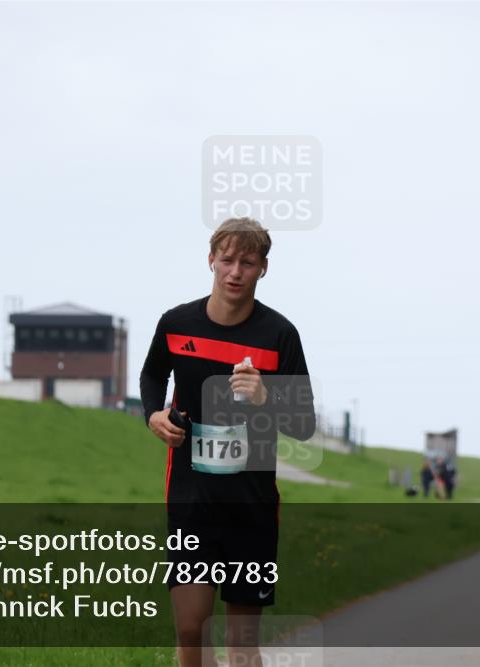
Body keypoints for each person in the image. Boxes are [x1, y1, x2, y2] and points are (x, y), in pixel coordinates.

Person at [139, 217, 316, 667]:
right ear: (212, 260)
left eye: (248, 262)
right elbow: (152, 373)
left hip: (251, 505)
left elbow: (302, 423)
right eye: (228, 260)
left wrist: (265, 397)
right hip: (191, 498)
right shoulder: (176, 324)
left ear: (263, 269)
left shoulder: (279, 336)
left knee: (240, 647)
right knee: (190, 627)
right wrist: (154, 414)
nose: (236, 271)